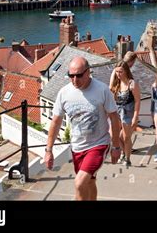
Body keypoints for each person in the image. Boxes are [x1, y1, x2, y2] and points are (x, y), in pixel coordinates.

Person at [45, 57, 121, 201]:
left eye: (79, 75)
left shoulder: (102, 90)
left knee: (79, 183)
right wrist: (48, 151)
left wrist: (116, 146)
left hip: (98, 144)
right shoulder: (64, 93)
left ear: (88, 72)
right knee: (89, 181)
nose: (74, 79)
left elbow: (114, 118)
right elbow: (55, 122)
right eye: (71, 75)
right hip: (77, 147)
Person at [110, 61, 141, 167]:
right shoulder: (116, 83)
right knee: (116, 135)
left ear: (126, 71)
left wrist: (135, 117)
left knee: (126, 137)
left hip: (128, 113)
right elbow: (110, 90)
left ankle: (127, 158)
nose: (118, 74)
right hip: (118, 112)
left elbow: (137, 101)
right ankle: (124, 153)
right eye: (117, 72)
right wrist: (114, 73)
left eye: (120, 72)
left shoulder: (132, 84)